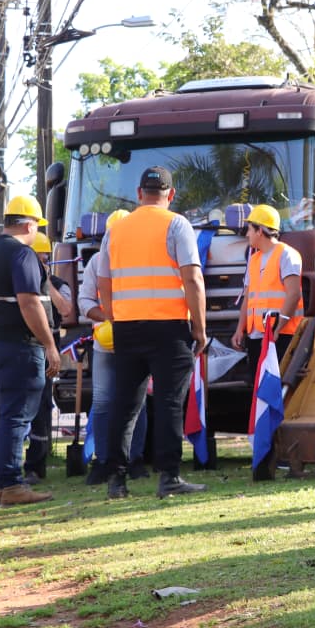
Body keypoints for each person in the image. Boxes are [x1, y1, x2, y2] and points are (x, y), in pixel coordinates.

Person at [98, 166, 209, 500]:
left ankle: (116, 480)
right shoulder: (177, 224)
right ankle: (169, 477)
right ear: (171, 195)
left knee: (125, 404)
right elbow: (192, 279)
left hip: (128, 328)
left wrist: (115, 317)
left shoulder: (115, 230)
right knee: (169, 403)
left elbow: (104, 283)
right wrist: (200, 328)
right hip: (169, 328)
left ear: (138, 193)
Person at [0, 195, 60, 509]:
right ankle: (12, 484)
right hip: (19, 346)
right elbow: (29, 302)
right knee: (15, 417)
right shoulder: (23, 254)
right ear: (29, 224)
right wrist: (49, 344)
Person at [77, 210, 149, 485]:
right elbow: (84, 301)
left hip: (137, 340)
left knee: (138, 402)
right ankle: (104, 461)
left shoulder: (143, 262)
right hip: (106, 342)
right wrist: (109, 318)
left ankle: (135, 460)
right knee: (104, 400)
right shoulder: (96, 263)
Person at [23, 232, 74, 483]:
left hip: (47, 351)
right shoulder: (20, 282)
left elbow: (65, 309)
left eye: (42, 258)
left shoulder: (58, 283)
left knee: (42, 406)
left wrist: (46, 282)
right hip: (22, 348)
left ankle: (36, 464)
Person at [231, 205, 303, 368]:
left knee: (277, 387)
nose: (247, 234)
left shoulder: (287, 255)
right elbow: (248, 298)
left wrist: (277, 329)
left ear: (260, 231)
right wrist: (239, 329)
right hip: (256, 336)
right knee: (258, 388)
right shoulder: (254, 259)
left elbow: (293, 295)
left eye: (249, 229)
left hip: (280, 336)